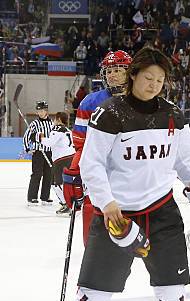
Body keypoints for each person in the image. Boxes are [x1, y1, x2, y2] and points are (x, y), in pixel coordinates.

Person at [52, 47, 190, 301]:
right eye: (148, 78)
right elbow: (92, 163)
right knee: (97, 290)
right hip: (119, 215)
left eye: (160, 79)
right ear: (133, 77)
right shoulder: (109, 113)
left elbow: (184, 162)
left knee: (172, 287)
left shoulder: (173, 115)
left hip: (161, 212)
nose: (154, 84)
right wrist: (106, 202)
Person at [63, 50, 132, 246]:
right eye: (109, 71)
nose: (111, 75)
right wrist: (75, 171)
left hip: (133, 173)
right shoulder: (90, 102)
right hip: (100, 172)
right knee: (93, 213)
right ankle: (94, 249)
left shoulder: (142, 99)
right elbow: (81, 143)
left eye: (117, 69)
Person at [40, 112, 75, 216]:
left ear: (59, 119)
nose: (54, 120)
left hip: (61, 159)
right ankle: (70, 203)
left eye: (55, 119)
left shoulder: (57, 129)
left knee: (56, 183)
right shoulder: (68, 130)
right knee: (66, 183)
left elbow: (50, 143)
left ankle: (68, 204)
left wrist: (40, 138)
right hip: (71, 157)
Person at [23, 100, 53, 205]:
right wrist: (27, 149)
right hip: (38, 152)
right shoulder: (34, 123)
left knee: (48, 175)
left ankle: (45, 197)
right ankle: (32, 197)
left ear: (46, 111)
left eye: (42, 110)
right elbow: (27, 136)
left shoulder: (51, 123)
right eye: (38, 111)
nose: (40, 112)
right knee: (37, 174)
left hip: (49, 152)